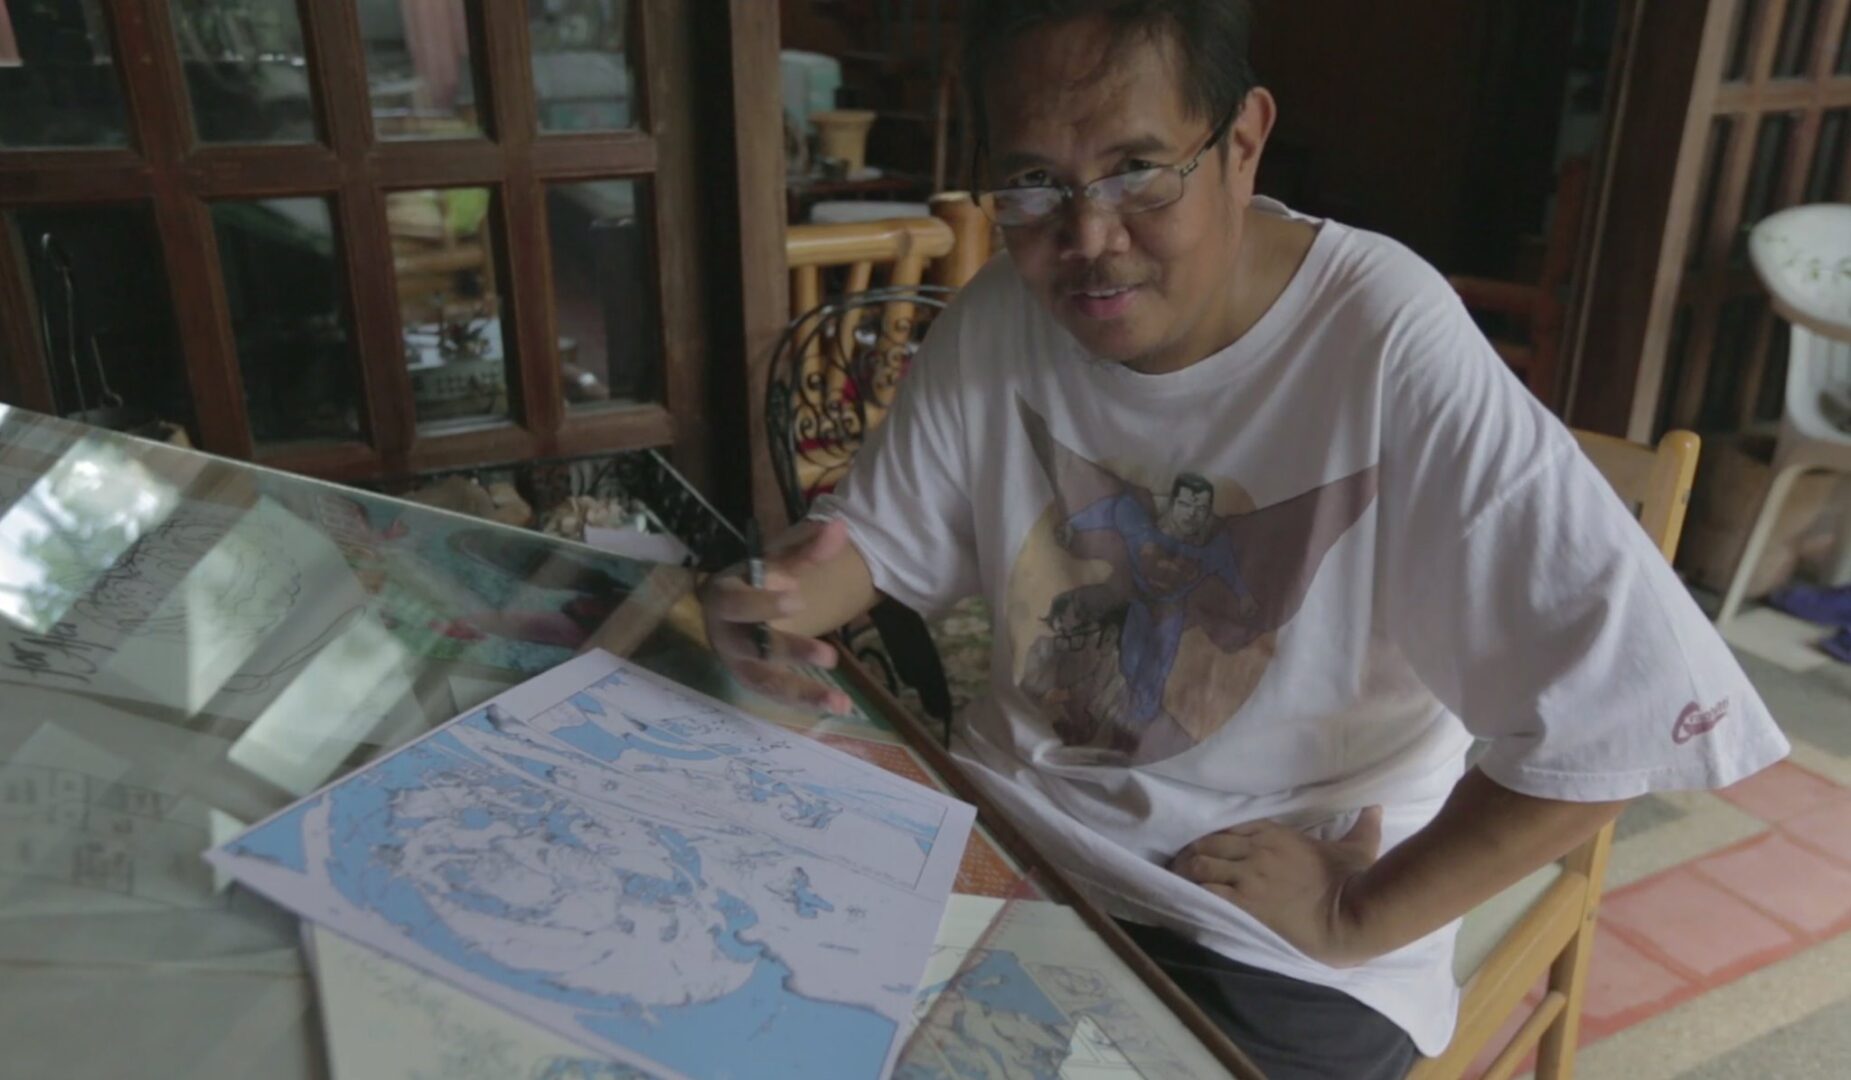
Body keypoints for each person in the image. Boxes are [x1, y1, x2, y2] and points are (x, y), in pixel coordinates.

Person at [701, 2, 1790, 1076]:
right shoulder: (1003, 313)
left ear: (1242, 141)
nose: (1088, 239)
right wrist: (783, 596)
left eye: (1137, 170)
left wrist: (1358, 915)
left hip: (1255, 922)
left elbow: (1626, 707)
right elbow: (877, 539)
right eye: (1034, 181)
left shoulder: (1382, 339)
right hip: (1007, 834)